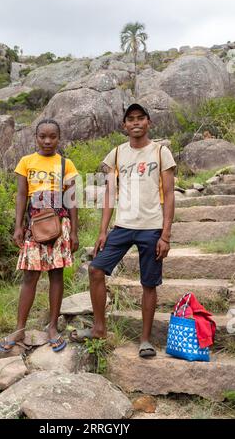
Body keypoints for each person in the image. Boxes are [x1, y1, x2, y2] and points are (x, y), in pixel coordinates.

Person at [70, 104, 176, 357]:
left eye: (141, 118)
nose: (136, 123)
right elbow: (109, 194)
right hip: (122, 226)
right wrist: (102, 231)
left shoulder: (161, 152)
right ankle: (99, 328)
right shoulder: (116, 154)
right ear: (124, 125)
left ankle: (145, 340)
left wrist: (166, 234)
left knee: (149, 284)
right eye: (131, 119)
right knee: (96, 270)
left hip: (151, 228)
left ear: (149, 122)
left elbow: (170, 194)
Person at [0, 118, 79, 353]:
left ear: (58, 138)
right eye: (42, 136)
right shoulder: (26, 162)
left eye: (52, 136)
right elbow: (22, 195)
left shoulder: (66, 164)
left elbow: (72, 201)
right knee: (30, 277)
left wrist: (73, 231)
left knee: (56, 275)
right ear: (35, 137)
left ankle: (53, 327)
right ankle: (19, 329)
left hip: (58, 223)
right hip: (34, 224)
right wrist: (18, 226)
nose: (47, 141)